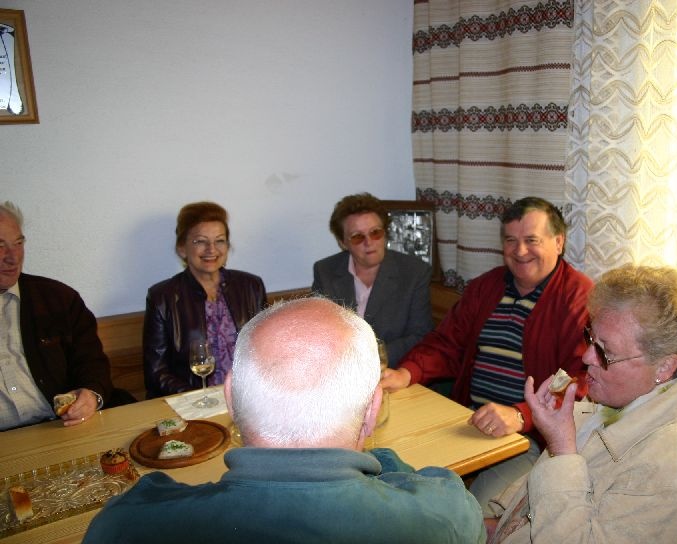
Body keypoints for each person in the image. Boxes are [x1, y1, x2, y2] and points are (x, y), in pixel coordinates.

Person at [84, 297, 486, 544]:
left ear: (230, 399)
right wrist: (386, 461)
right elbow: (433, 492)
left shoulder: (127, 526)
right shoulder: (446, 517)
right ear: (373, 410)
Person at [487, 265, 677, 543]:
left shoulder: (670, 474)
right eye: (591, 338)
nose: (587, 357)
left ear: (664, 366)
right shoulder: (634, 396)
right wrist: (497, 527)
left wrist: (562, 448)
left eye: (605, 352)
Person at [380, 196, 593, 514]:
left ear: (559, 242)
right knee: (399, 484)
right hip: (467, 421)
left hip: (529, 439)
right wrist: (406, 373)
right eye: (511, 240)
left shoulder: (579, 298)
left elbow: (577, 380)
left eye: (532, 240)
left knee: (471, 512)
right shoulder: (486, 286)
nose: (520, 251)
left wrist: (521, 415)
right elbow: (447, 343)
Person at [0, 201, 127, 431]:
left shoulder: (58, 299)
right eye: (0, 246)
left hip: (62, 428)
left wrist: (91, 394)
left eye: (18, 243)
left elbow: (92, 364)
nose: (13, 257)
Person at [143, 201, 266, 398]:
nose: (211, 249)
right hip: (194, 402)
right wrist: (201, 398)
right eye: (200, 241)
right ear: (182, 248)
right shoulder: (162, 297)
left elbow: (265, 349)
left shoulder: (251, 286)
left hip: (246, 397)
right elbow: (156, 373)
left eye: (220, 241)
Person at [312, 192, 433, 367]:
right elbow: (318, 330)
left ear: (385, 234)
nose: (369, 242)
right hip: (340, 369)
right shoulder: (325, 271)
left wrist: (373, 357)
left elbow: (421, 335)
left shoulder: (414, 273)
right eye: (357, 237)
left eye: (375, 233)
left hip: (393, 370)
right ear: (343, 243)